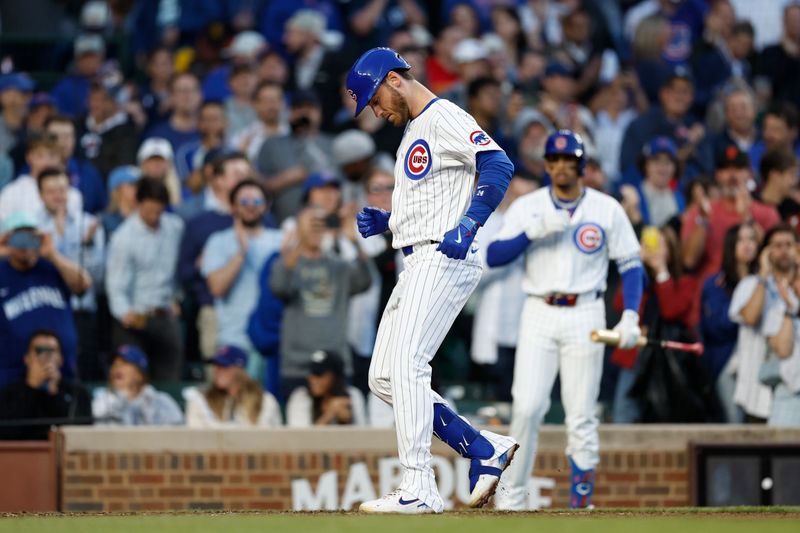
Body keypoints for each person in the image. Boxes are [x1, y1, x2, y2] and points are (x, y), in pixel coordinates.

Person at [348, 47, 518, 513]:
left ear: (393, 80)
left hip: (442, 258)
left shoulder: (442, 115)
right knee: (383, 376)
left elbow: (499, 165)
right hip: (418, 258)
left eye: (374, 99)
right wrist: (389, 220)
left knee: (406, 365)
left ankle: (419, 486)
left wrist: (471, 223)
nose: (376, 110)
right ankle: (482, 448)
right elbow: (435, 196)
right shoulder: (413, 132)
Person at [486, 130, 643, 509]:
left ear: (581, 165)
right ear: (546, 165)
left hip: (586, 310)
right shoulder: (529, 207)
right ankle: (512, 499)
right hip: (538, 309)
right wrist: (530, 233)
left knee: (581, 412)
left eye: (567, 161)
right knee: (526, 406)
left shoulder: (606, 208)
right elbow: (493, 256)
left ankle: (581, 502)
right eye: (554, 161)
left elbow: (632, 264)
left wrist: (630, 316)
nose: (560, 167)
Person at [270, 206, 371, 399]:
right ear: (298, 227)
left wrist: (355, 241)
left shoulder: (339, 266)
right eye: (311, 223)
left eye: (320, 223)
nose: (316, 228)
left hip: (336, 364)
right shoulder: (288, 264)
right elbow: (279, 287)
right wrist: (300, 240)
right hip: (298, 366)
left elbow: (365, 281)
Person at [0, 211, 92, 388]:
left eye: (30, 237)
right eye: (18, 238)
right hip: (14, 377)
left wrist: (52, 253)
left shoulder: (51, 266)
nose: (25, 245)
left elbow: (83, 284)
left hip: (63, 370)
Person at [105, 177, 184, 381]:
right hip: (134, 319)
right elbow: (115, 283)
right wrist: (125, 313)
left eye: (159, 211)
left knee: (170, 378)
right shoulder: (124, 237)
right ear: (138, 204)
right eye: (149, 210)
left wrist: (176, 297)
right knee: (132, 379)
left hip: (165, 314)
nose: (154, 216)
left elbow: (177, 269)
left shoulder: (174, 228)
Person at [202, 179, 282, 377]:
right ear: (233, 206)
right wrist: (241, 253)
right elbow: (216, 288)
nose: (250, 207)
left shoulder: (279, 240)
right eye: (244, 202)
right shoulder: (218, 241)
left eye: (256, 202)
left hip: (270, 339)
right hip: (233, 337)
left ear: (266, 205)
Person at [35, 167, 106, 381]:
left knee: (84, 374)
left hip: (82, 310)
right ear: (40, 194)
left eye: (62, 190)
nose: (58, 196)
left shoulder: (89, 224)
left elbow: (96, 276)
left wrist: (87, 244)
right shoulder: (33, 228)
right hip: (48, 311)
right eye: (51, 191)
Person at [729, 224, 799, 422]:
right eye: (777, 246)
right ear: (766, 252)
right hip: (758, 391)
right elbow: (751, 317)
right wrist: (763, 275)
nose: (784, 250)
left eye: (789, 245)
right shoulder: (751, 284)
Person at [700, 223, 758, 423]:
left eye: (752, 239)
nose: (747, 245)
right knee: (735, 424)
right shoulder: (716, 283)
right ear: (730, 245)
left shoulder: (764, 280)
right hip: (728, 363)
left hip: (759, 362)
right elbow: (716, 326)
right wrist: (748, 312)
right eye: (741, 240)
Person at [0, 330, 92, 440]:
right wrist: (32, 388)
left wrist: (54, 394)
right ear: (27, 358)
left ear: (61, 359)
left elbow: (79, 435)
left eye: (51, 351)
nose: (45, 358)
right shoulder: (7, 394)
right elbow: (7, 434)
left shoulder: (78, 393)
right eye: (39, 351)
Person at [183, 345, 282, 428]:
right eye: (216, 366)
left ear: (239, 370)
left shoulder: (265, 401)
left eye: (223, 366)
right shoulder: (200, 400)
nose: (217, 371)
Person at [92, 344, 183, 425]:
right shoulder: (102, 402)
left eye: (125, 363)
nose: (117, 367)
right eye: (114, 364)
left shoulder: (161, 402)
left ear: (140, 374)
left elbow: (178, 436)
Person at [286, 350, 367, 427]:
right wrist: (329, 414)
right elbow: (299, 438)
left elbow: (364, 435)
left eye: (319, 374)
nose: (312, 379)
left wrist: (348, 421)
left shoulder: (353, 395)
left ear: (335, 377)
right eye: (311, 373)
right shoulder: (301, 396)